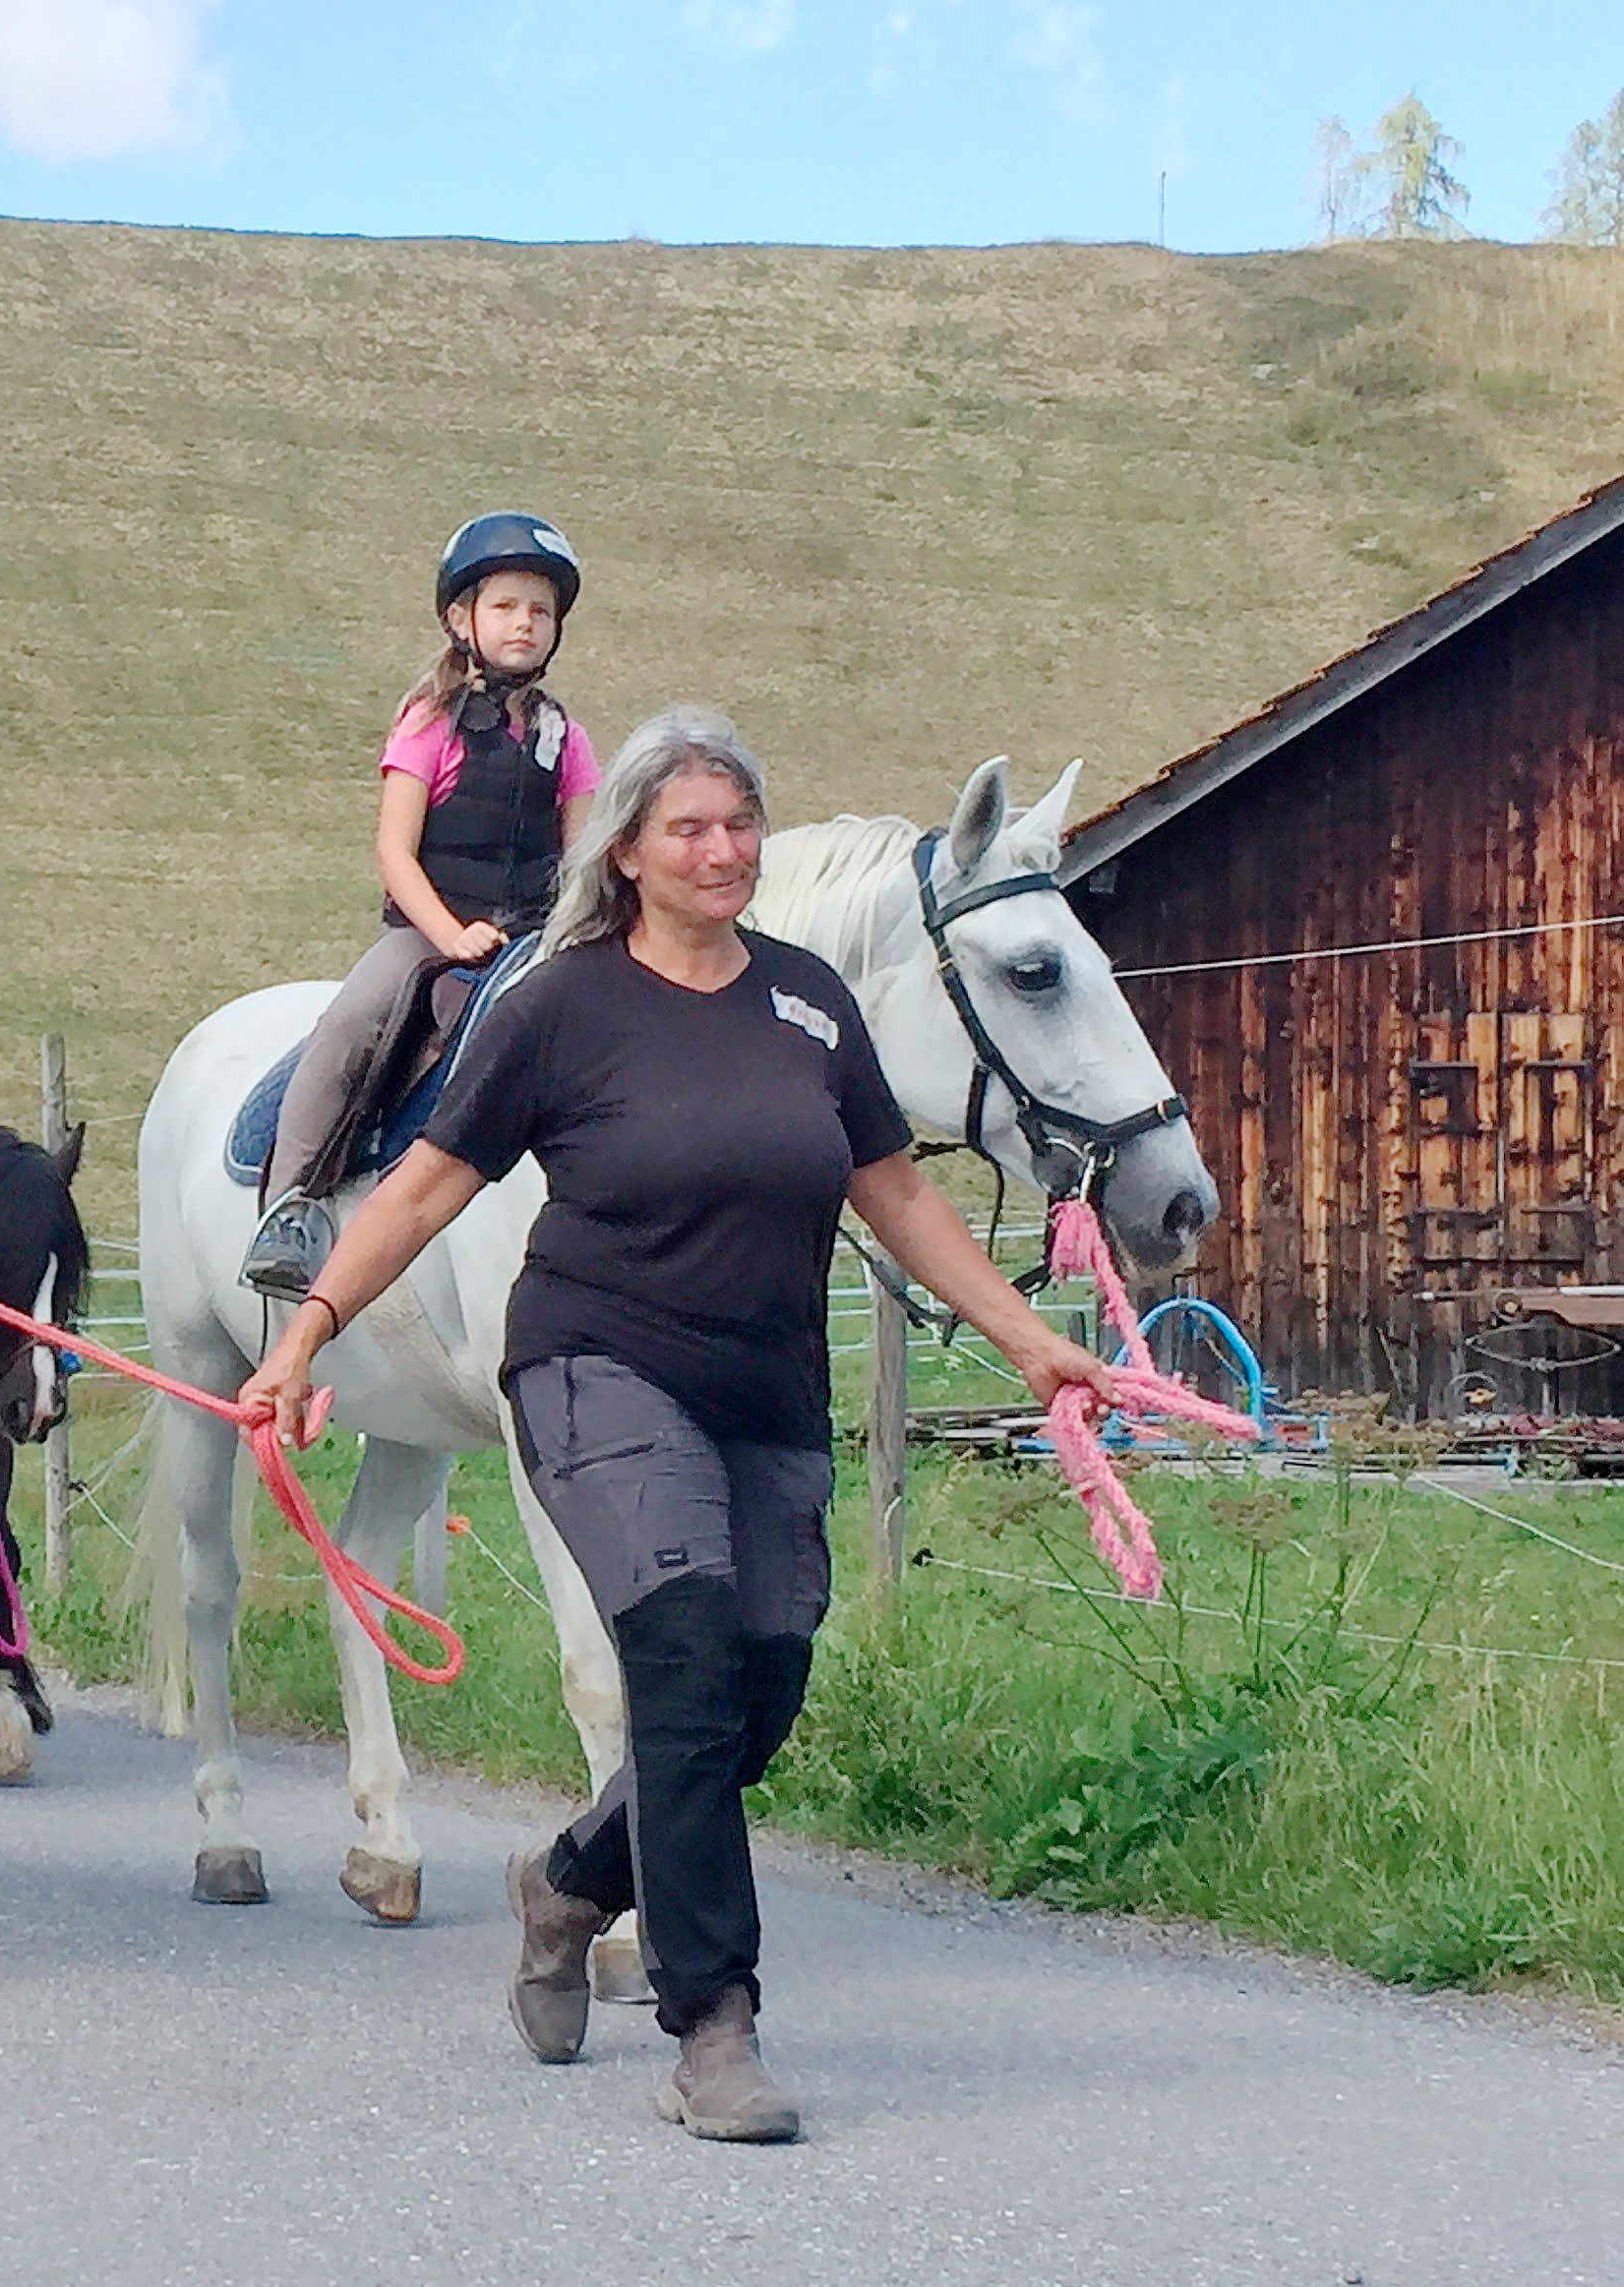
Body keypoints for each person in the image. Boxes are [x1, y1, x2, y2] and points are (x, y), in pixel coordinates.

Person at [237, 707, 1122, 2144]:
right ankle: (714, 2025)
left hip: (766, 1386)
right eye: (689, 828)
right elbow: (420, 1192)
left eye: (739, 825)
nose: (722, 851)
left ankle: (571, 1879)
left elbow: (891, 1192)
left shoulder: (810, 1006)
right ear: (631, 851)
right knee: (689, 1654)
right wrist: (305, 1331)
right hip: (599, 1367)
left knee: (761, 1688)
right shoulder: (558, 1009)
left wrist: (1032, 1347)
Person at [240, 512, 603, 1299]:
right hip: (429, 937)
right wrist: (450, 933)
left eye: (540, 611)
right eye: (506, 606)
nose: (525, 624)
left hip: (534, 940)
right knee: (350, 1024)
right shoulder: (428, 722)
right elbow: (394, 853)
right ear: (461, 618)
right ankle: (290, 1209)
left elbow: (586, 857)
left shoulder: (565, 740)